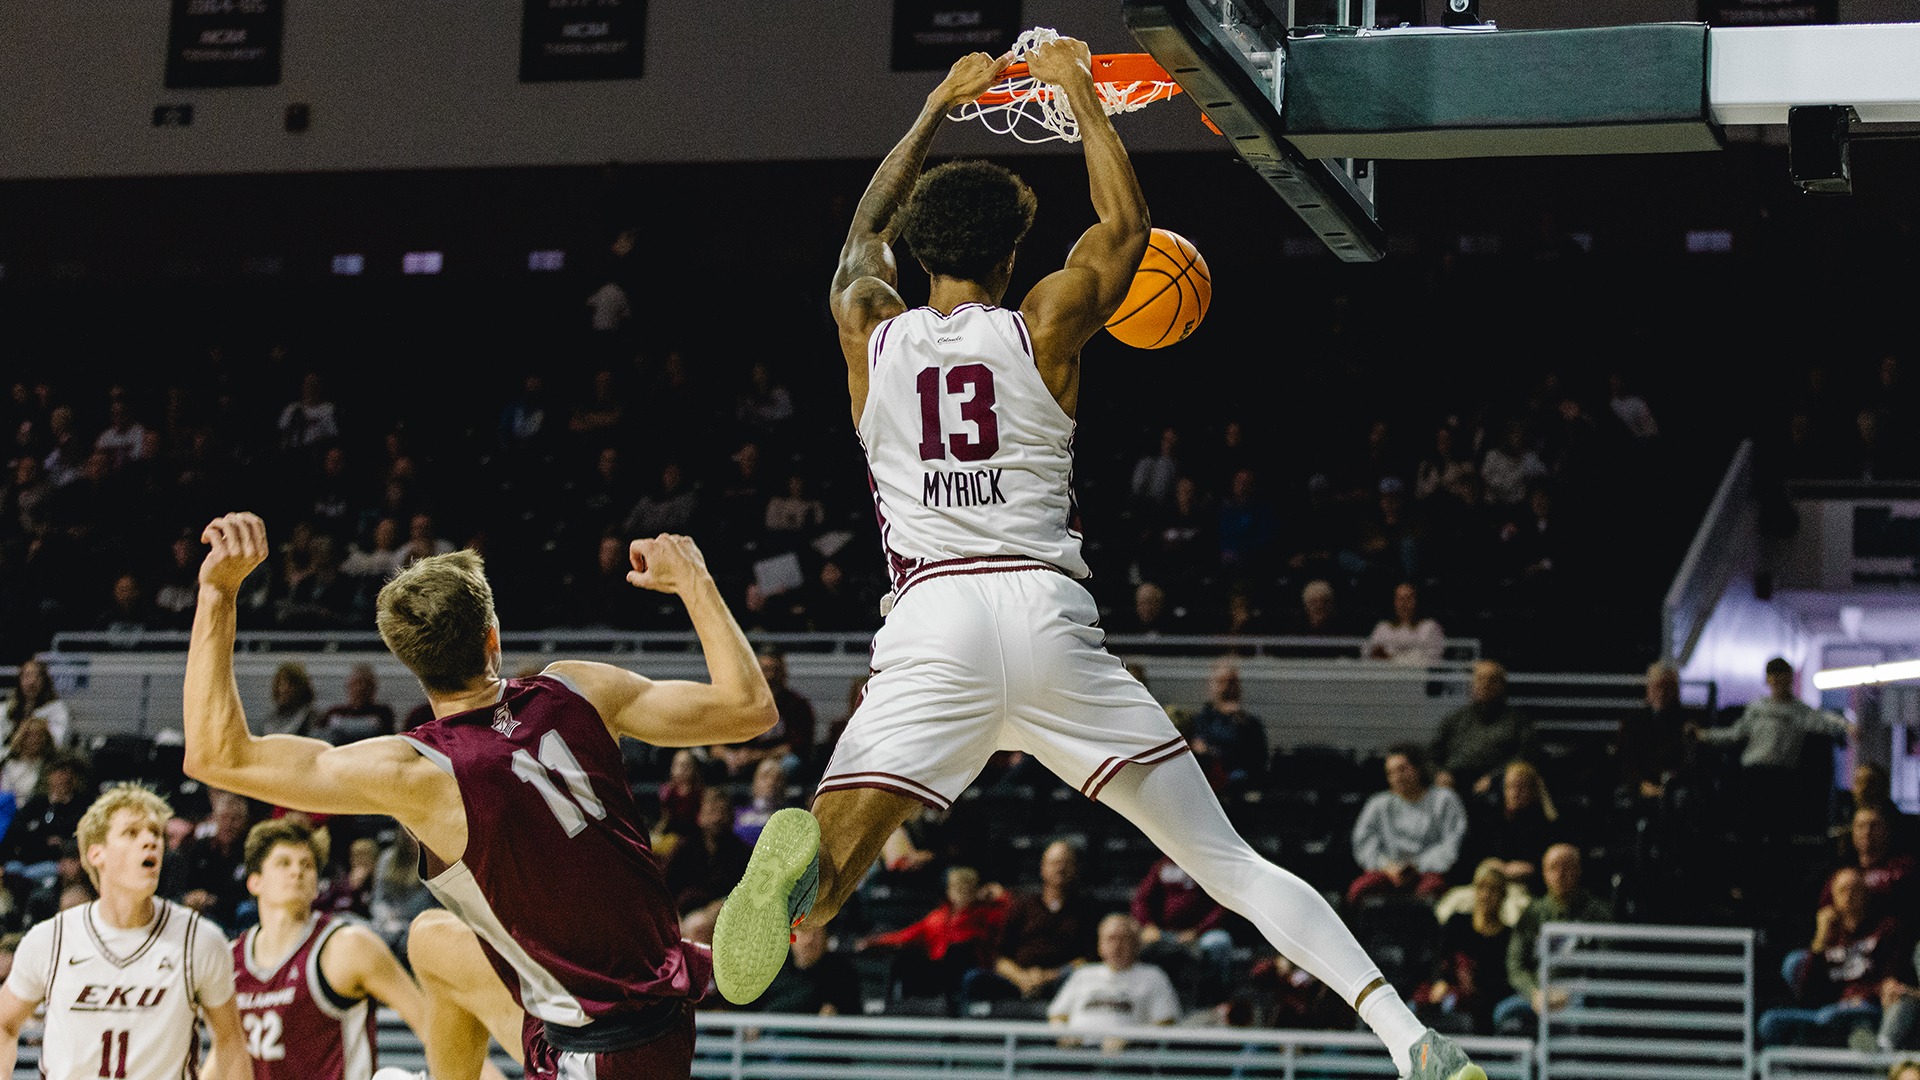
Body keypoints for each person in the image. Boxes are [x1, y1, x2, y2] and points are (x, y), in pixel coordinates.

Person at [713, 43, 1482, 1080]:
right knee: (1229, 865)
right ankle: (1411, 1040)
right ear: (1018, 247)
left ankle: (798, 869)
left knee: (833, 885)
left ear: (916, 253)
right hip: (1043, 621)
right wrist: (1076, 86)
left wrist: (940, 104)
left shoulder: (870, 329)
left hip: (930, 625)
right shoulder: (1045, 325)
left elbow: (860, 237)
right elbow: (1125, 228)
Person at [180, 512, 776, 1080]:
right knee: (432, 943)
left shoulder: (418, 771)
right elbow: (751, 709)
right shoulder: (579, 687)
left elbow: (215, 755)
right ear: (492, 635)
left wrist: (218, 593)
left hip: (599, 1053)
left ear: (411, 665)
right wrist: (694, 580)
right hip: (648, 1002)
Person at [0, 783, 249, 1080]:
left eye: (156, 833)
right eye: (132, 833)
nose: (150, 842)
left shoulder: (200, 939)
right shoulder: (50, 939)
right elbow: (5, 1024)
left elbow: (231, 1040)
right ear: (96, 854)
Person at [232, 818, 507, 1080]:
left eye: (307, 864)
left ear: (317, 884)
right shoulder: (233, 958)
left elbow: (433, 1028)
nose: (297, 871)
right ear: (254, 881)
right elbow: (228, 1050)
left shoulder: (348, 946)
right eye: (284, 863)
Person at [1760, 866, 1911, 1047]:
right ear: (1833, 897)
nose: (1848, 897)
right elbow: (1807, 994)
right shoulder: (1829, 935)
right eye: (1842, 891)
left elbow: (1890, 980)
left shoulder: (1886, 929)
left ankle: (1864, 1042)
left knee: (1852, 1017)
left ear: (1866, 894)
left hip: (1866, 1007)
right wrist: (1819, 941)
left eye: (1855, 890)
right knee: (1769, 1022)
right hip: (1829, 1009)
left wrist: (1865, 995)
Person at [960, 839, 1098, 1013]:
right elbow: (1000, 957)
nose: (1060, 868)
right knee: (973, 979)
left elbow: (1088, 959)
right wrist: (1022, 978)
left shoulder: (1087, 909)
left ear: (1075, 868)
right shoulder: (1022, 905)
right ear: (1043, 868)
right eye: (1055, 863)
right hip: (1018, 980)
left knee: (1076, 976)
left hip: (1061, 980)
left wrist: (1047, 976)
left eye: (1066, 863)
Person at [1495, 844, 1612, 1034]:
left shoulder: (1596, 913)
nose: (1560, 874)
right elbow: (1515, 964)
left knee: (1583, 1018)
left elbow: (1606, 965)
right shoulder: (1533, 914)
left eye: (1566, 867)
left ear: (1578, 871)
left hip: (1578, 996)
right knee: (1503, 1014)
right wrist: (1534, 993)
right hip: (1537, 995)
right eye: (1553, 868)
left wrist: (1570, 992)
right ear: (1544, 873)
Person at [858, 865, 1007, 1008]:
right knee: (905, 961)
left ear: (976, 890)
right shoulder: (937, 918)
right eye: (957, 887)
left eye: (967, 887)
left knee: (959, 953)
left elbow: (1008, 912)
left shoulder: (986, 914)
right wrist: (875, 941)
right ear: (948, 891)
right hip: (939, 971)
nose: (962, 891)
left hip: (969, 968)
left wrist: (1001, 896)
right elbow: (905, 936)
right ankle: (895, 1009)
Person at [1348, 747, 1467, 905]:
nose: (1397, 777)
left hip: (1428, 870)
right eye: (1391, 773)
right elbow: (1364, 843)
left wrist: (1417, 866)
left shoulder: (1444, 800)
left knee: (1432, 891)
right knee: (1359, 890)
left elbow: (1451, 843)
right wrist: (1387, 866)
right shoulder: (1378, 804)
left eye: (1402, 770)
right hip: (1387, 871)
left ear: (1418, 769)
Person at [1047, 914, 1179, 1051]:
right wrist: (1065, 1035)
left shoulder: (1153, 975)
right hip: (1076, 1054)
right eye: (1111, 939)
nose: (1117, 945)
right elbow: (1057, 1016)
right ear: (1100, 945)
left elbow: (1165, 1023)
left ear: (1136, 944)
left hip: (1126, 1058)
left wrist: (1130, 1039)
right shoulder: (1083, 973)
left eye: (1124, 939)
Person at [1431, 661, 1535, 796]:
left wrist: (1496, 778)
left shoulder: (1519, 721)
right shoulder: (1455, 719)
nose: (1486, 685)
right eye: (1480, 679)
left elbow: (1526, 757)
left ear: (1502, 686)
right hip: (1454, 783)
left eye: (1492, 680)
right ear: (1471, 685)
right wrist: (1439, 774)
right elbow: (1431, 756)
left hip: (1497, 786)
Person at [1367, 583, 1446, 665]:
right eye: (1400, 599)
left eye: (1409, 598)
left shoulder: (1430, 627)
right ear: (1394, 602)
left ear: (1417, 601)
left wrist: (1391, 659)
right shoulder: (1382, 627)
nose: (1404, 603)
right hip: (1388, 676)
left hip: (1419, 676)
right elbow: (1371, 655)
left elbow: (1433, 659)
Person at [0, 656, 71, 746]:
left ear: (45, 681)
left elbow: (57, 741)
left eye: (37, 677)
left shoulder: (57, 709)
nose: (32, 682)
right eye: (27, 676)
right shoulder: (5, 709)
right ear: (19, 680)